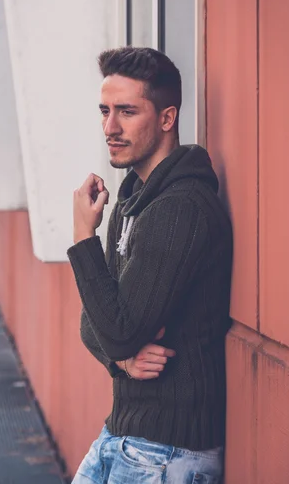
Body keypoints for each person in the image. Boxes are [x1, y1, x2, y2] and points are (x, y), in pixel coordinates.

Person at [67, 47, 232, 484]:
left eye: (126, 111)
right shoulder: (131, 201)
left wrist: (84, 236)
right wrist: (121, 362)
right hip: (122, 434)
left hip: (169, 451)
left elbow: (118, 331)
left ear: (166, 118)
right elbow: (93, 324)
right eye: (105, 111)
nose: (110, 127)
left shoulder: (182, 210)